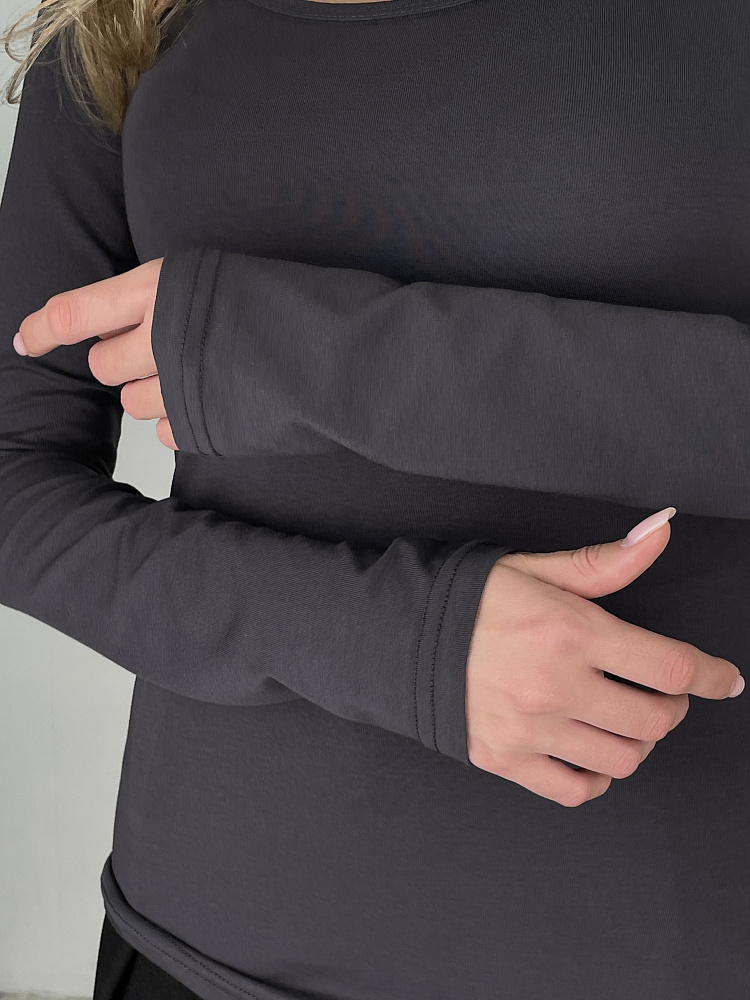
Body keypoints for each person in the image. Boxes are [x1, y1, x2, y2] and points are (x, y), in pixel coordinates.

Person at [1, 1, 748, 998]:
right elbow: (14, 477)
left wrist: (304, 353)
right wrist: (399, 645)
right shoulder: (117, 18)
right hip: (208, 948)